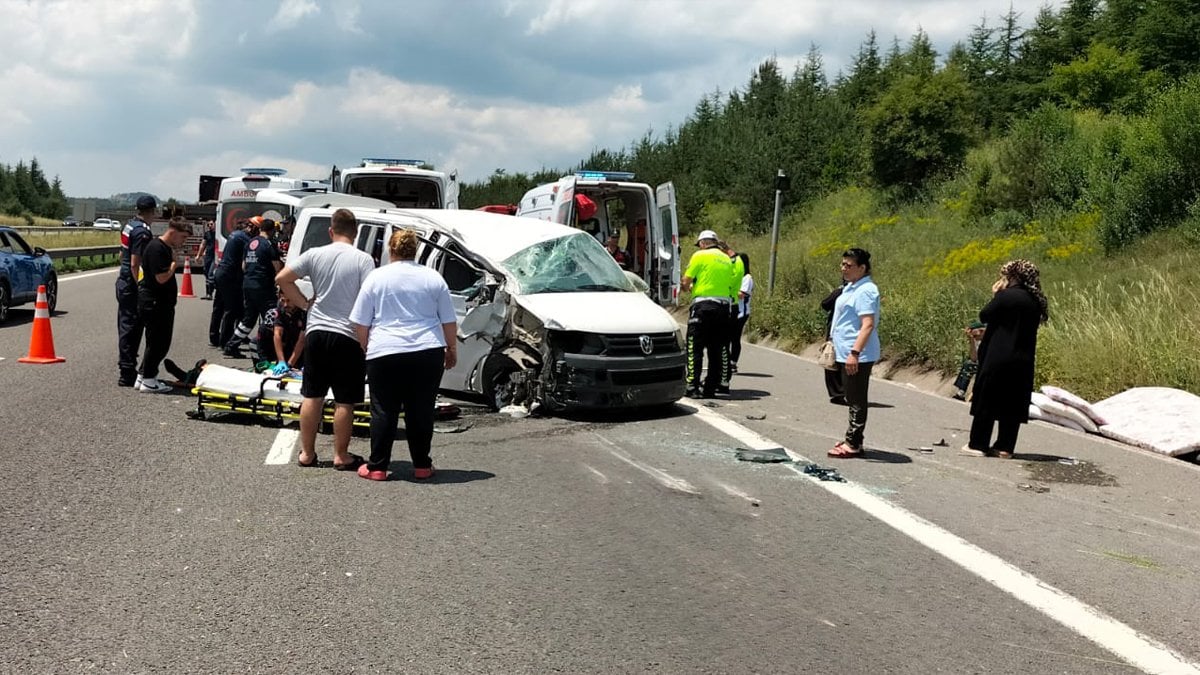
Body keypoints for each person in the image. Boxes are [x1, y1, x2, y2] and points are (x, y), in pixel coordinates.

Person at [350, 229, 458, 482]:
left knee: (383, 409)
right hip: (426, 350)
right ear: (416, 251)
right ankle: (422, 464)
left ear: (391, 249)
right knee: (420, 408)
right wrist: (451, 348)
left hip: (385, 350)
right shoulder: (433, 278)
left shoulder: (377, 278)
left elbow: (360, 322)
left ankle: (377, 466)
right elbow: (448, 321)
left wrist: (367, 347)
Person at [276, 208, 374, 471]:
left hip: (317, 331)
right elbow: (368, 297)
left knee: (313, 395)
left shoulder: (315, 254)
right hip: (347, 335)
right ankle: (341, 455)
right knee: (345, 400)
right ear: (355, 233)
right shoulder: (363, 260)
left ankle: (307, 453)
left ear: (331, 231)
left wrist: (304, 305)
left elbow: (282, 278)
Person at [962, 260, 1049, 458]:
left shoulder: (1006, 297)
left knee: (987, 398)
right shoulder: (1036, 301)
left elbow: (985, 315)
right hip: (1023, 358)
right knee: (1013, 402)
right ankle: (1004, 447)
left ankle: (978, 444)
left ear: (1014, 277)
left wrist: (997, 295)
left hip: (998, 356)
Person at [828, 248, 881, 458]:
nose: (844, 269)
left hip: (858, 352)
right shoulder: (851, 287)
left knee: (856, 398)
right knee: (850, 397)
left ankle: (854, 443)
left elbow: (867, 324)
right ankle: (852, 436)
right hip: (844, 350)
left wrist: (855, 352)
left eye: (849, 266)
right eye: (843, 264)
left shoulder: (866, 290)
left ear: (862, 268)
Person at [136, 218, 191, 393]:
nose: (183, 241)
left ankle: (143, 375)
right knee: (159, 342)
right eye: (182, 237)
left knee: (155, 341)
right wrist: (174, 265)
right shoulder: (157, 248)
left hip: (159, 302)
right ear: (173, 232)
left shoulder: (164, 247)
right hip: (155, 302)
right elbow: (161, 278)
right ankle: (149, 380)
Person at [681, 229, 734, 398]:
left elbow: (686, 280)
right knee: (716, 349)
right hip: (723, 308)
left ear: (703, 243)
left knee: (694, 347)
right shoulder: (727, 259)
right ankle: (710, 388)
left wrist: (687, 288)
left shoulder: (699, 255)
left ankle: (692, 386)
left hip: (703, 306)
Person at [116, 195, 156, 387]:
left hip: (123, 280)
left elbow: (122, 253)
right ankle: (127, 370)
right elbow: (135, 263)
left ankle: (127, 367)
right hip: (132, 283)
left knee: (126, 324)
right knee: (132, 327)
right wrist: (141, 285)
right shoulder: (143, 232)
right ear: (152, 211)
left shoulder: (129, 225)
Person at [225, 218, 282, 356]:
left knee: (249, 319)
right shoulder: (269, 244)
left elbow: (244, 266)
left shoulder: (250, 243)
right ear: (272, 231)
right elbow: (277, 268)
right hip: (263, 286)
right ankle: (267, 349)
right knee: (271, 316)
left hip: (248, 284)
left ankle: (231, 345)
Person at [209, 219, 253, 348]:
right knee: (231, 309)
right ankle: (226, 341)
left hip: (221, 272)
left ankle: (214, 337)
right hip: (230, 275)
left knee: (219, 307)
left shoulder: (235, 234)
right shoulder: (244, 238)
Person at [257, 289, 307, 370]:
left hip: (306, 344)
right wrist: (281, 361)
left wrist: (290, 364)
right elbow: (277, 334)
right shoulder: (281, 307)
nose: (285, 304)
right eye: (283, 300)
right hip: (289, 341)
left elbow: (301, 341)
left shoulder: (305, 311)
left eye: (289, 301)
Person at [720, 241, 745, 384]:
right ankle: (724, 377)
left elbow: (730, 280)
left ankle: (723, 377)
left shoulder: (734, 262)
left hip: (727, 304)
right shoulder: (735, 261)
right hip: (731, 304)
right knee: (725, 342)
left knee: (722, 343)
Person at [819, 281, 848, 405]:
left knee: (832, 360)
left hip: (835, 330)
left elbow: (825, 304)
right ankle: (841, 392)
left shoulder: (841, 291)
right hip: (847, 332)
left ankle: (837, 392)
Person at [729, 252, 753, 373]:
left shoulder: (747, 278)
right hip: (732, 310)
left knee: (735, 337)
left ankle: (733, 363)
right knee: (727, 337)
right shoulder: (735, 276)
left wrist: (728, 290)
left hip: (741, 312)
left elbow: (742, 295)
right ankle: (727, 361)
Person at [952, 320, 987, 401]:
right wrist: (972, 341)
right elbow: (974, 358)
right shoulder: (979, 339)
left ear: (981, 331)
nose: (975, 338)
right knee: (968, 364)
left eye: (975, 336)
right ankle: (961, 392)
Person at [194, 220, 217, 300]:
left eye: (211, 224)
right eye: (208, 224)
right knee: (206, 273)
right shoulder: (207, 234)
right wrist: (198, 255)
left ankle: (211, 293)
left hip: (215, 256)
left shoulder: (218, 234)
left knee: (211, 274)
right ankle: (207, 293)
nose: (209, 226)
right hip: (208, 256)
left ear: (215, 224)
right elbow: (203, 244)